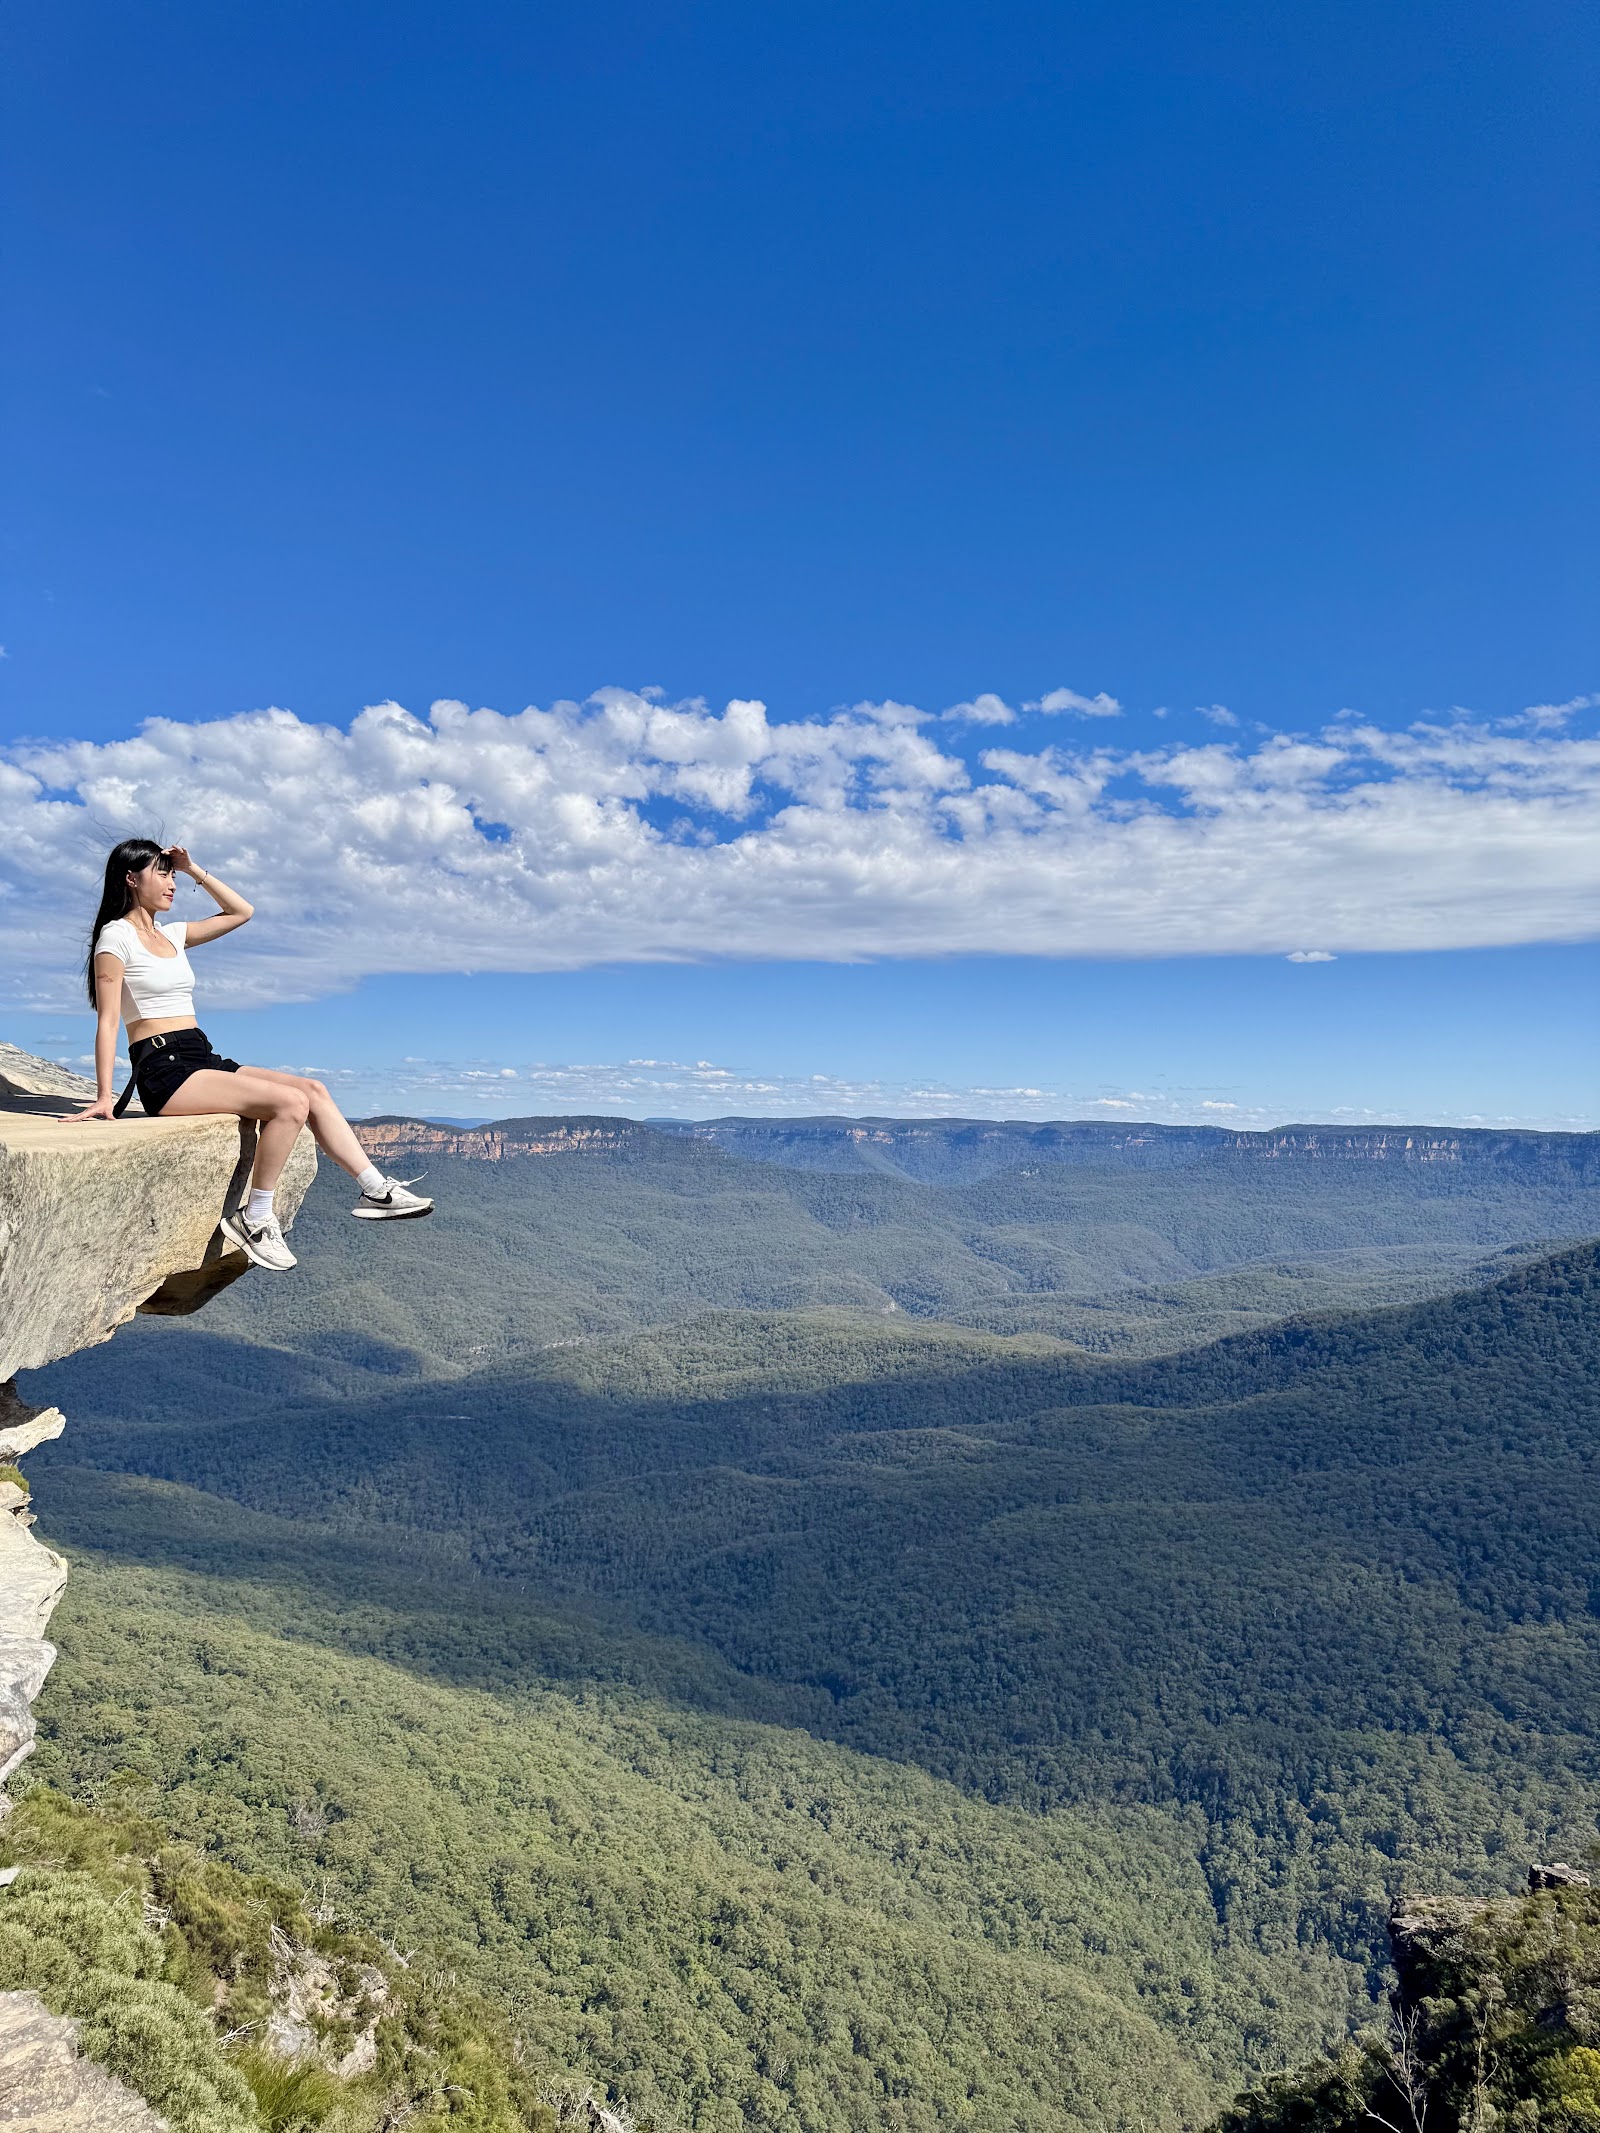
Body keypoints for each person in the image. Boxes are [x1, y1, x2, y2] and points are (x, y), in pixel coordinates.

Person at [68, 838, 432, 1272]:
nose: (171, 884)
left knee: (312, 1089)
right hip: (162, 1069)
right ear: (131, 879)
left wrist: (192, 868)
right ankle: (255, 1218)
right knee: (289, 1104)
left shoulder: (172, 935)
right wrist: (104, 1095)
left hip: (198, 1054)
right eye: (161, 873)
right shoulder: (115, 938)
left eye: (171, 874)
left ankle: (376, 1189)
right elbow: (108, 1020)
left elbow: (242, 912)